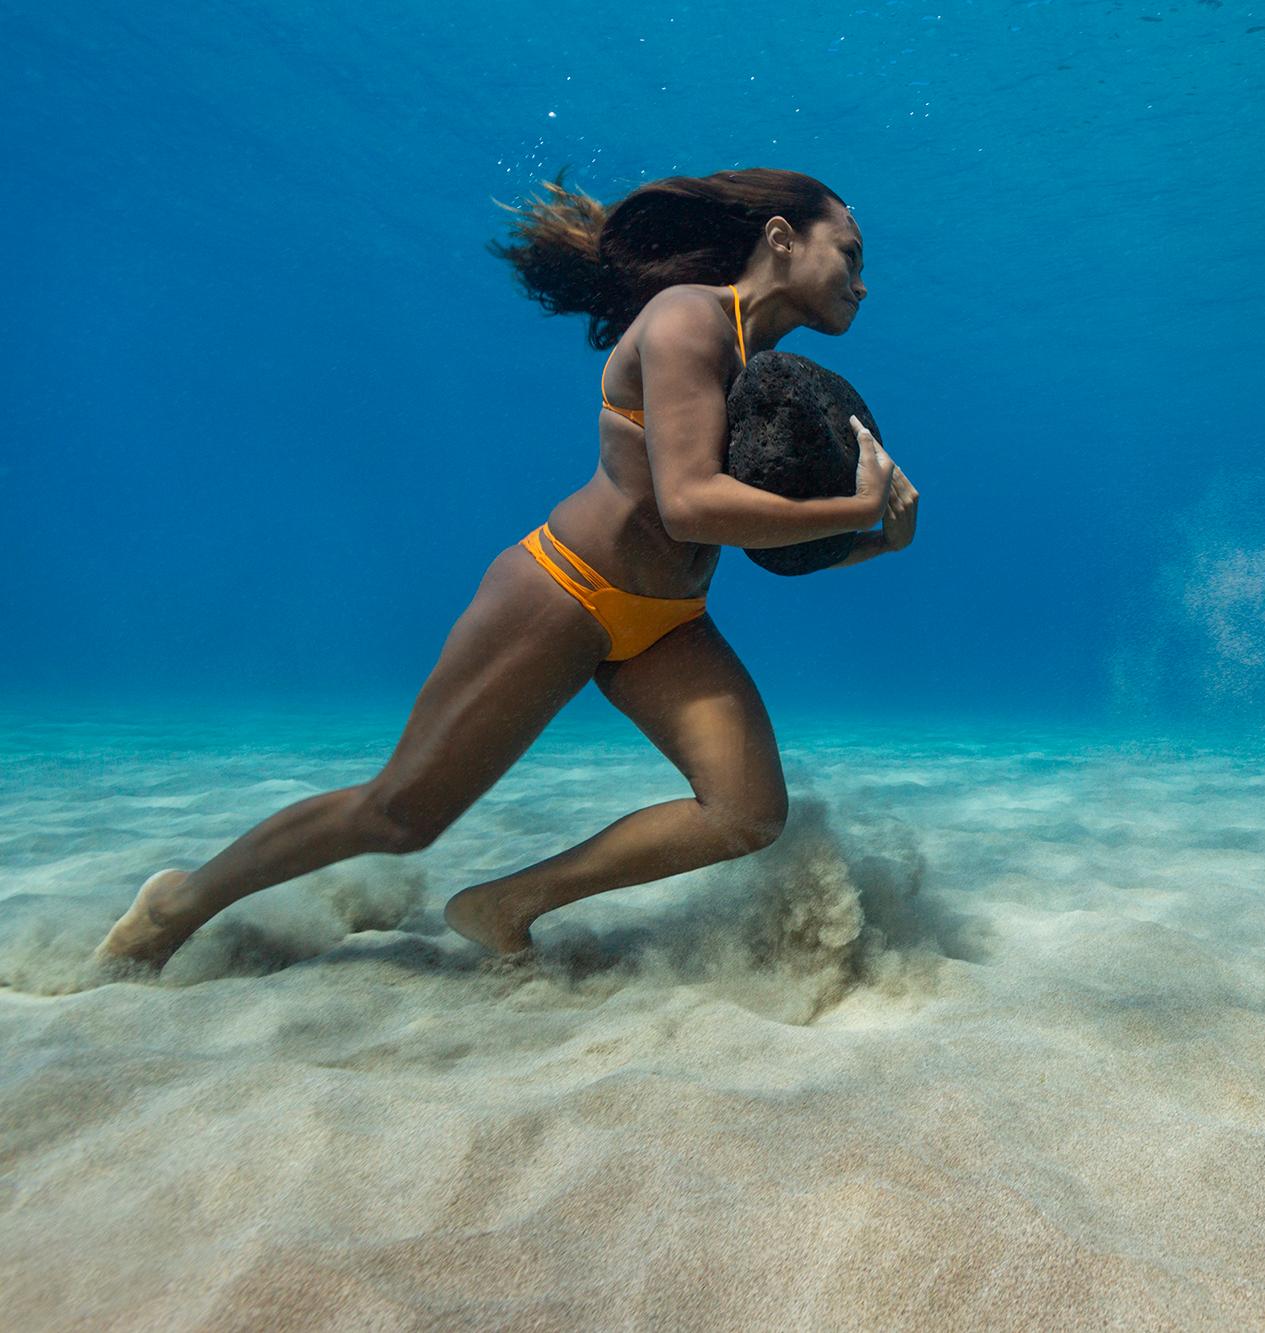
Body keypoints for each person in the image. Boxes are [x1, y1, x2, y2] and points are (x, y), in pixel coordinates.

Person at [93, 167, 918, 969]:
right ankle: (180, 901)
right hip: (562, 592)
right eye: (850, 252)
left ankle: (505, 904)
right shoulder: (687, 321)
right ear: (781, 237)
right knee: (399, 815)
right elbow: (690, 505)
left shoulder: (768, 369)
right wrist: (849, 509)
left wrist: (869, 541)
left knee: (746, 812)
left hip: (669, 623)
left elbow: (750, 532)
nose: (862, 281)